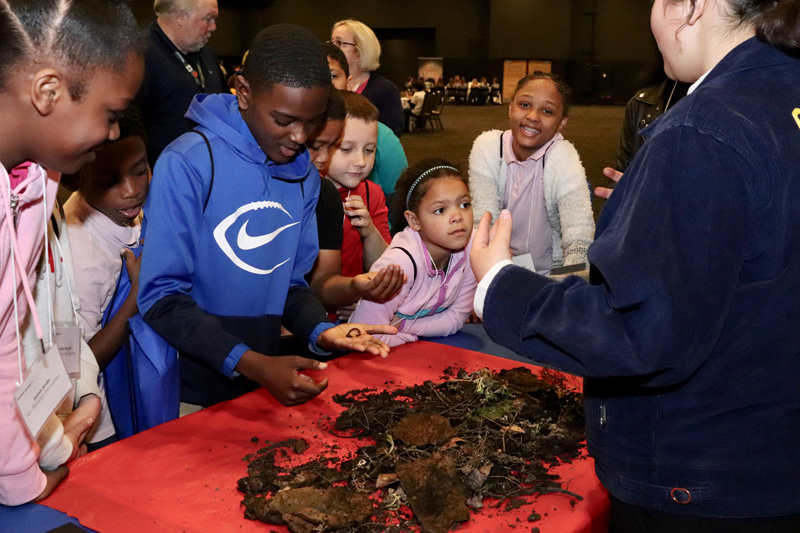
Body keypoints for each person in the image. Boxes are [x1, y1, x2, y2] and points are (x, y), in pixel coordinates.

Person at [470, 0, 800, 531]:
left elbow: (640, 333)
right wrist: (668, 211)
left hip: (700, 474)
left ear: (687, 6)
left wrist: (498, 283)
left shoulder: (702, 130)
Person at [137, 24, 395, 410]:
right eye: (284, 119)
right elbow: (161, 297)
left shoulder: (303, 174)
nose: (299, 137)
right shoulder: (188, 163)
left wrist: (323, 331)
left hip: (264, 376)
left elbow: (290, 284)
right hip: (190, 387)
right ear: (243, 92)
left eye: (311, 123)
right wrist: (252, 363)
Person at [0, 0, 145, 505]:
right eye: (110, 115)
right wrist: (20, 472)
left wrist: (80, 394)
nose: (113, 134)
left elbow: (24, 330)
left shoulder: (41, 182)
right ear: (47, 91)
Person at [63, 108, 151, 450]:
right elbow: (79, 364)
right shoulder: (80, 256)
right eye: (108, 181)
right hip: (98, 422)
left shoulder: (125, 210)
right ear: (78, 177)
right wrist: (136, 297)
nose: (131, 191)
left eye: (141, 171)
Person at [468, 73, 594, 275]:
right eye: (524, 105)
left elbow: (580, 243)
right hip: (494, 270)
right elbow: (482, 224)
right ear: (510, 108)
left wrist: (561, 292)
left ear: (562, 122)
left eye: (547, 111)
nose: (533, 116)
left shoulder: (564, 158)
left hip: (549, 276)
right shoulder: (488, 148)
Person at [351, 160, 477, 347]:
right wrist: (410, 339)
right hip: (371, 356)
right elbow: (362, 335)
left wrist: (403, 325)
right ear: (414, 220)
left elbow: (455, 319)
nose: (458, 216)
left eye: (464, 205)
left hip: (412, 345)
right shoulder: (400, 264)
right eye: (440, 210)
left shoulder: (472, 248)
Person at [137, 0, 226, 166]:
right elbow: (130, 128)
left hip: (212, 169)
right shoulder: (139, 55)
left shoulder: (208, 54)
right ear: (180, 17)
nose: (214, 27)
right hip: (164, 176)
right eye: (208, 19)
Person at [326, 44, 407, 204]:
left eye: (333, 76)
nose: (325, 85)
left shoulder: (382, 137)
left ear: (349, 83)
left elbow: (398, 202)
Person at [326, 92, 392, 284]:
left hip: (353, 304)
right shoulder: (304, 192)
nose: (361, 162)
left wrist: (369, 231)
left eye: (369, 150)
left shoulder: (372, 194)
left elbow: (383, 265)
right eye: (346, 149)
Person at [331, 19, 405, 138]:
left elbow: (392, 135)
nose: (333, 48)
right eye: (332, 42)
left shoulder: (385, 89)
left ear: (360, 51)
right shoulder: (324, 82)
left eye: (340, 43)